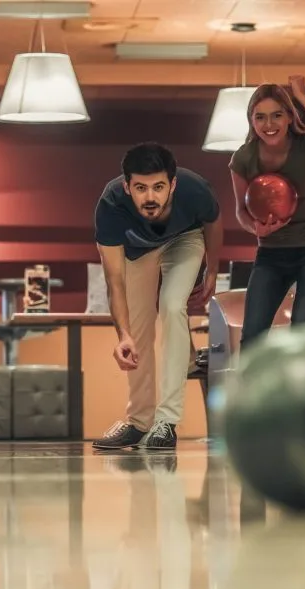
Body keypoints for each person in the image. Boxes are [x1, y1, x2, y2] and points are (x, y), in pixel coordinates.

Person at [92, 142, 223, 450]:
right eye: (140, 188)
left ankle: (166, 422)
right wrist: (122, 335)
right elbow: (114, 281)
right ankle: (139, 423)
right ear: (126, 186)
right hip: (138, 254)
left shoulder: (194, 189)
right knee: (137, 329)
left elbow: (213, 222)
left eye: (158, 187)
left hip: (185, 239)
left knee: (172, 304)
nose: (150, 197)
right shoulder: (110, 207)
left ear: (173, 184)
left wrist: (213, 270)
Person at [229, 77, 305, 348]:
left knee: (302, 330)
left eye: (277, 116)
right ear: (252, 122)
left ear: (289, 118)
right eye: (261, 118)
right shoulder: (243, 158)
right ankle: (252, 391)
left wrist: (302, 97)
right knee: (253, 337)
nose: (269, 125)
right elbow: (241, 212)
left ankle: (298, 391)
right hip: (271, 253)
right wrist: (255, 229)